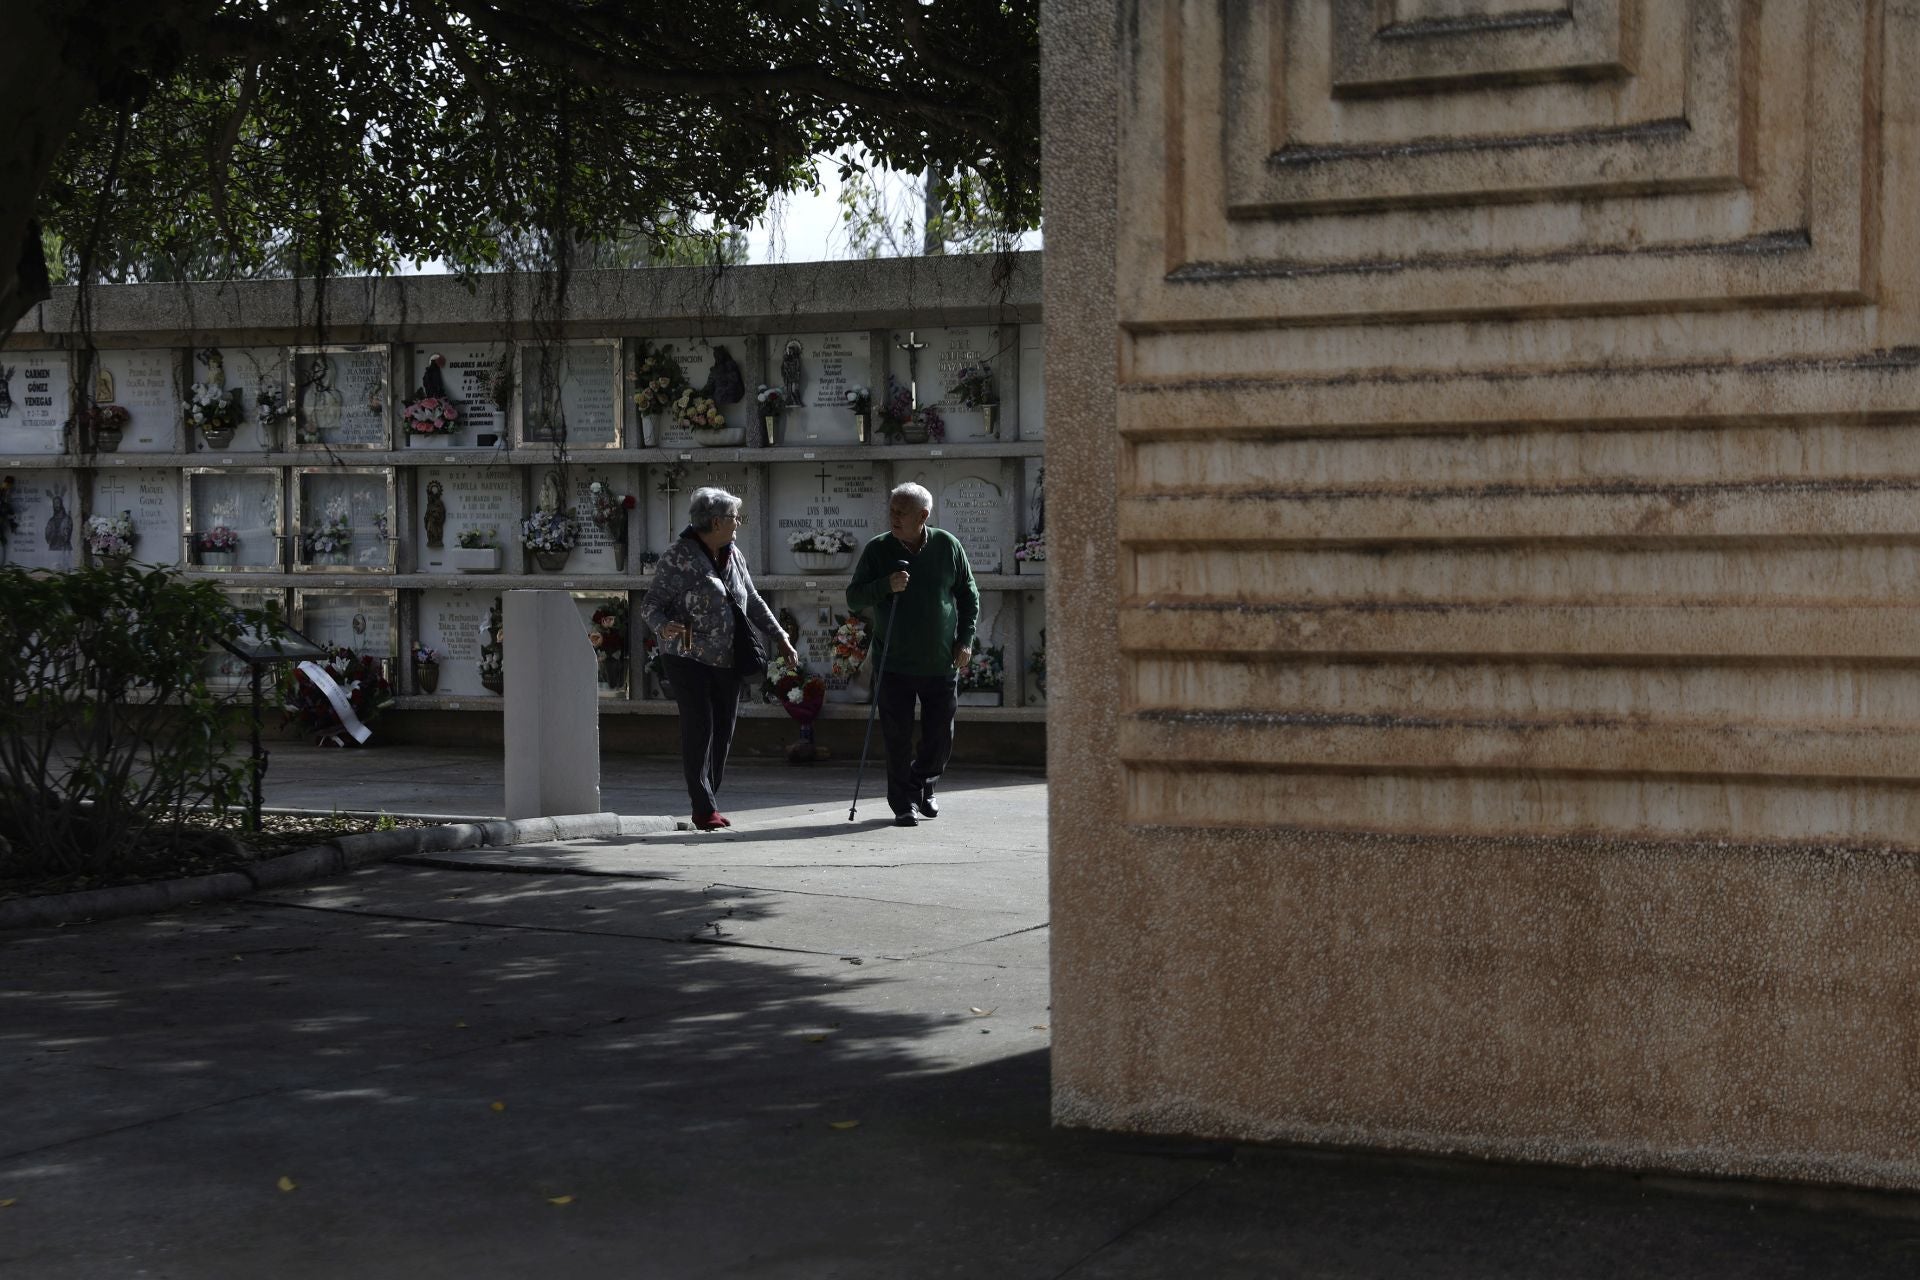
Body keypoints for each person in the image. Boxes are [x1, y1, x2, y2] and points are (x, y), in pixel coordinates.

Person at [641, 486, 797, 830]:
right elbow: (650, 605)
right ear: (715, 521)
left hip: (728, 658)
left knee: (724, 731)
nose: (737, 522)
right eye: (733, 517)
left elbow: (752, 599)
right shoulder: (678, 556)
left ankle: (710, 798)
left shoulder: (733, 553)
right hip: (688, 659)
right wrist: (665, 627)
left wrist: (780, 636)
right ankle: (703, 807)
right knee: (700, 728)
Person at [846, 482, 979, 827]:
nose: (893, 517)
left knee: (939, 737)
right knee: (897, 737)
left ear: (923, 515)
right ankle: (903, 803)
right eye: (891, 509)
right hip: (894, 662)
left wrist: (965, 640)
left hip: (940, 661)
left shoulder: (948, 545)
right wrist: (884, 586)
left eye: (900, 512)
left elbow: (968, 595)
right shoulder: (878, 550)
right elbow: (854, 598)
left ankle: (923, 784)